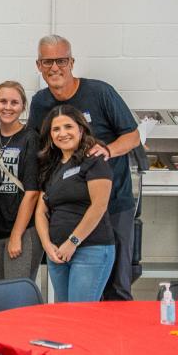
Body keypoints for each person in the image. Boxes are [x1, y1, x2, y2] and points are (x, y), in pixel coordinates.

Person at [26, 34, 139, 302]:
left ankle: (115, 343)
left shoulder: (100, 92)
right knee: (71, 302)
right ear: (38, 66)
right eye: (48, 61)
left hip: (112, 203)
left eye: (61, 60)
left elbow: (133, 137)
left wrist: (108, 150)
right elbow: (37, 146)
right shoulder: (41, 102)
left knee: (116, 287)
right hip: (69, 209)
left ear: (72, 62)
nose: (55, 67)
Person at [34, 105, 116, 303]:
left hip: (90, 250)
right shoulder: (51, 165)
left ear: (81, 129)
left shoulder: (94, 160)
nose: (62, 133)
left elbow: (99, 206)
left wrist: (72, 243)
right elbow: (41, 211)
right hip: (57, 253)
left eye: (68, 127)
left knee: (80, 319)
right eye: (56, 129)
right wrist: (47, 245)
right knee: (64, 318)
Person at [0, 81, 43, 283]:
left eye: (14, 102)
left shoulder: (30, 139)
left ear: (23, 107)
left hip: (22, 230)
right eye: (3, 101)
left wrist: (17, 235)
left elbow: (32, 192)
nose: (8, 107)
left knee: (17, 295)